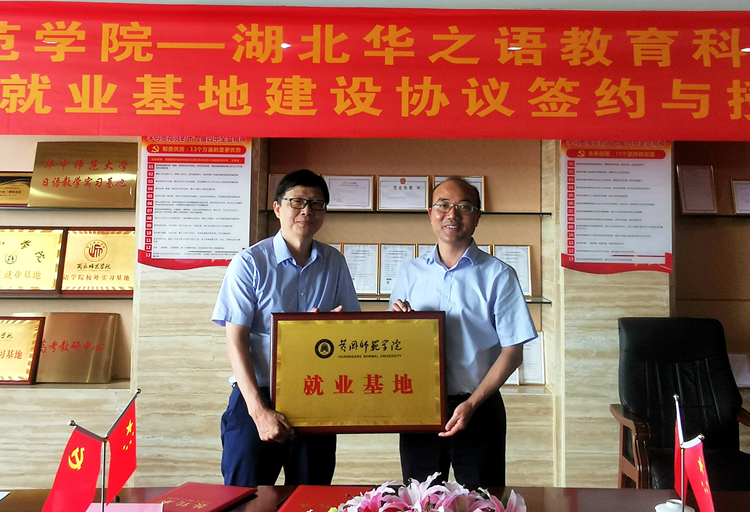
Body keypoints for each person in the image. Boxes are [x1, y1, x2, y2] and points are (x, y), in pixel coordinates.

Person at [212, 169, 360, 487]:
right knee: (246, 497)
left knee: (311, 497)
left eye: (316, 204)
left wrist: (332, 327)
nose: (307, 210)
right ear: (278, 207)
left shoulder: (334, 262)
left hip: (315, 394)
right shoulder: (249, 263)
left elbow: (351, 329)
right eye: (297, 202)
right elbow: (235, 341)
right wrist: (258, 411)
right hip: (257, 395)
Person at [389, 176, 537, 488]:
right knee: (422, 501)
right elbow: (396, 344)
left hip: (479, 407)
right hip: (420, 408)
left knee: (483, 500)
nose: (452, 214)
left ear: (477, 216)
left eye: (464, 206)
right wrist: (401, 325)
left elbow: (513, 352)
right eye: (443, 205)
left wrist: (472, 404)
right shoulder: (410, 273)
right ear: (430, 213)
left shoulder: (498, 275)